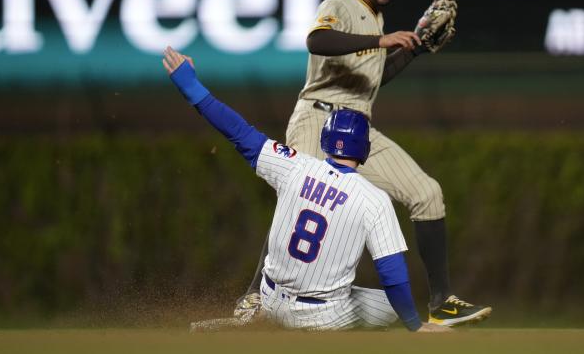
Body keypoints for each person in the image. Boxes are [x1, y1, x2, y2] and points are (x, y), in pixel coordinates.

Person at [235, 0, 491, 327]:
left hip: (358, 130)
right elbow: (316, 41)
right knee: (297, 202)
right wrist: (379, 42)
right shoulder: (339, 5)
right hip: (317, 120)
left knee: (427, 194)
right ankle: (255, 297)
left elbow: (375, 77)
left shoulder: (376, 20)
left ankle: (441, 302)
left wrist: (415, 48)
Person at [162, 46, 448, 332]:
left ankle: (261, 319)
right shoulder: (373, 199)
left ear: (324, 139)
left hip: (270, 297)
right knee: (390, 306)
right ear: (365, 149)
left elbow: (237, 131)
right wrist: (415, 326)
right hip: (322, 316)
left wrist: (191, 86)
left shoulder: (294, 165)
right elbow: (392, 274)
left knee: (300, 298)